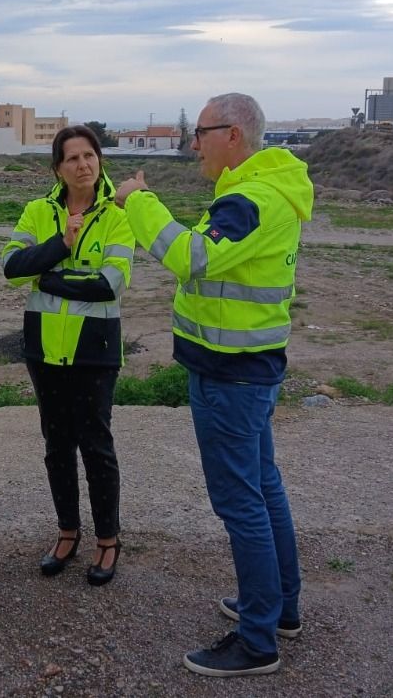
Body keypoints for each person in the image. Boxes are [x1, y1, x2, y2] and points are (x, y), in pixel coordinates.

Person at [114, 92, 314, 678]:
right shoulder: (255, 192)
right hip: (246, 368)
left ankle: (257, 639)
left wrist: (138, 201)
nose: (192, 143)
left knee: (241, 502)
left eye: (200, 133)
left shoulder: (251, 200)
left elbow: (191, 257)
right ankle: (280, 609)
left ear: (234, 135)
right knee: (262, 487)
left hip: (231, 375)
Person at [0, 124, 134, 585]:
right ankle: (67, 532)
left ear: (100, 160)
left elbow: (108, 284)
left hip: (94, 349)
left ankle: (108, 540)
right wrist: (60, 245)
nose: (83, 164)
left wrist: (48, 276)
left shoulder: (118, 215)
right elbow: (12, 268)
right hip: (43, 349)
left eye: (89, 155)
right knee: (57, 446)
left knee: (96, 445)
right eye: (72, 158)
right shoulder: (38, 211)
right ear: (57, 168)